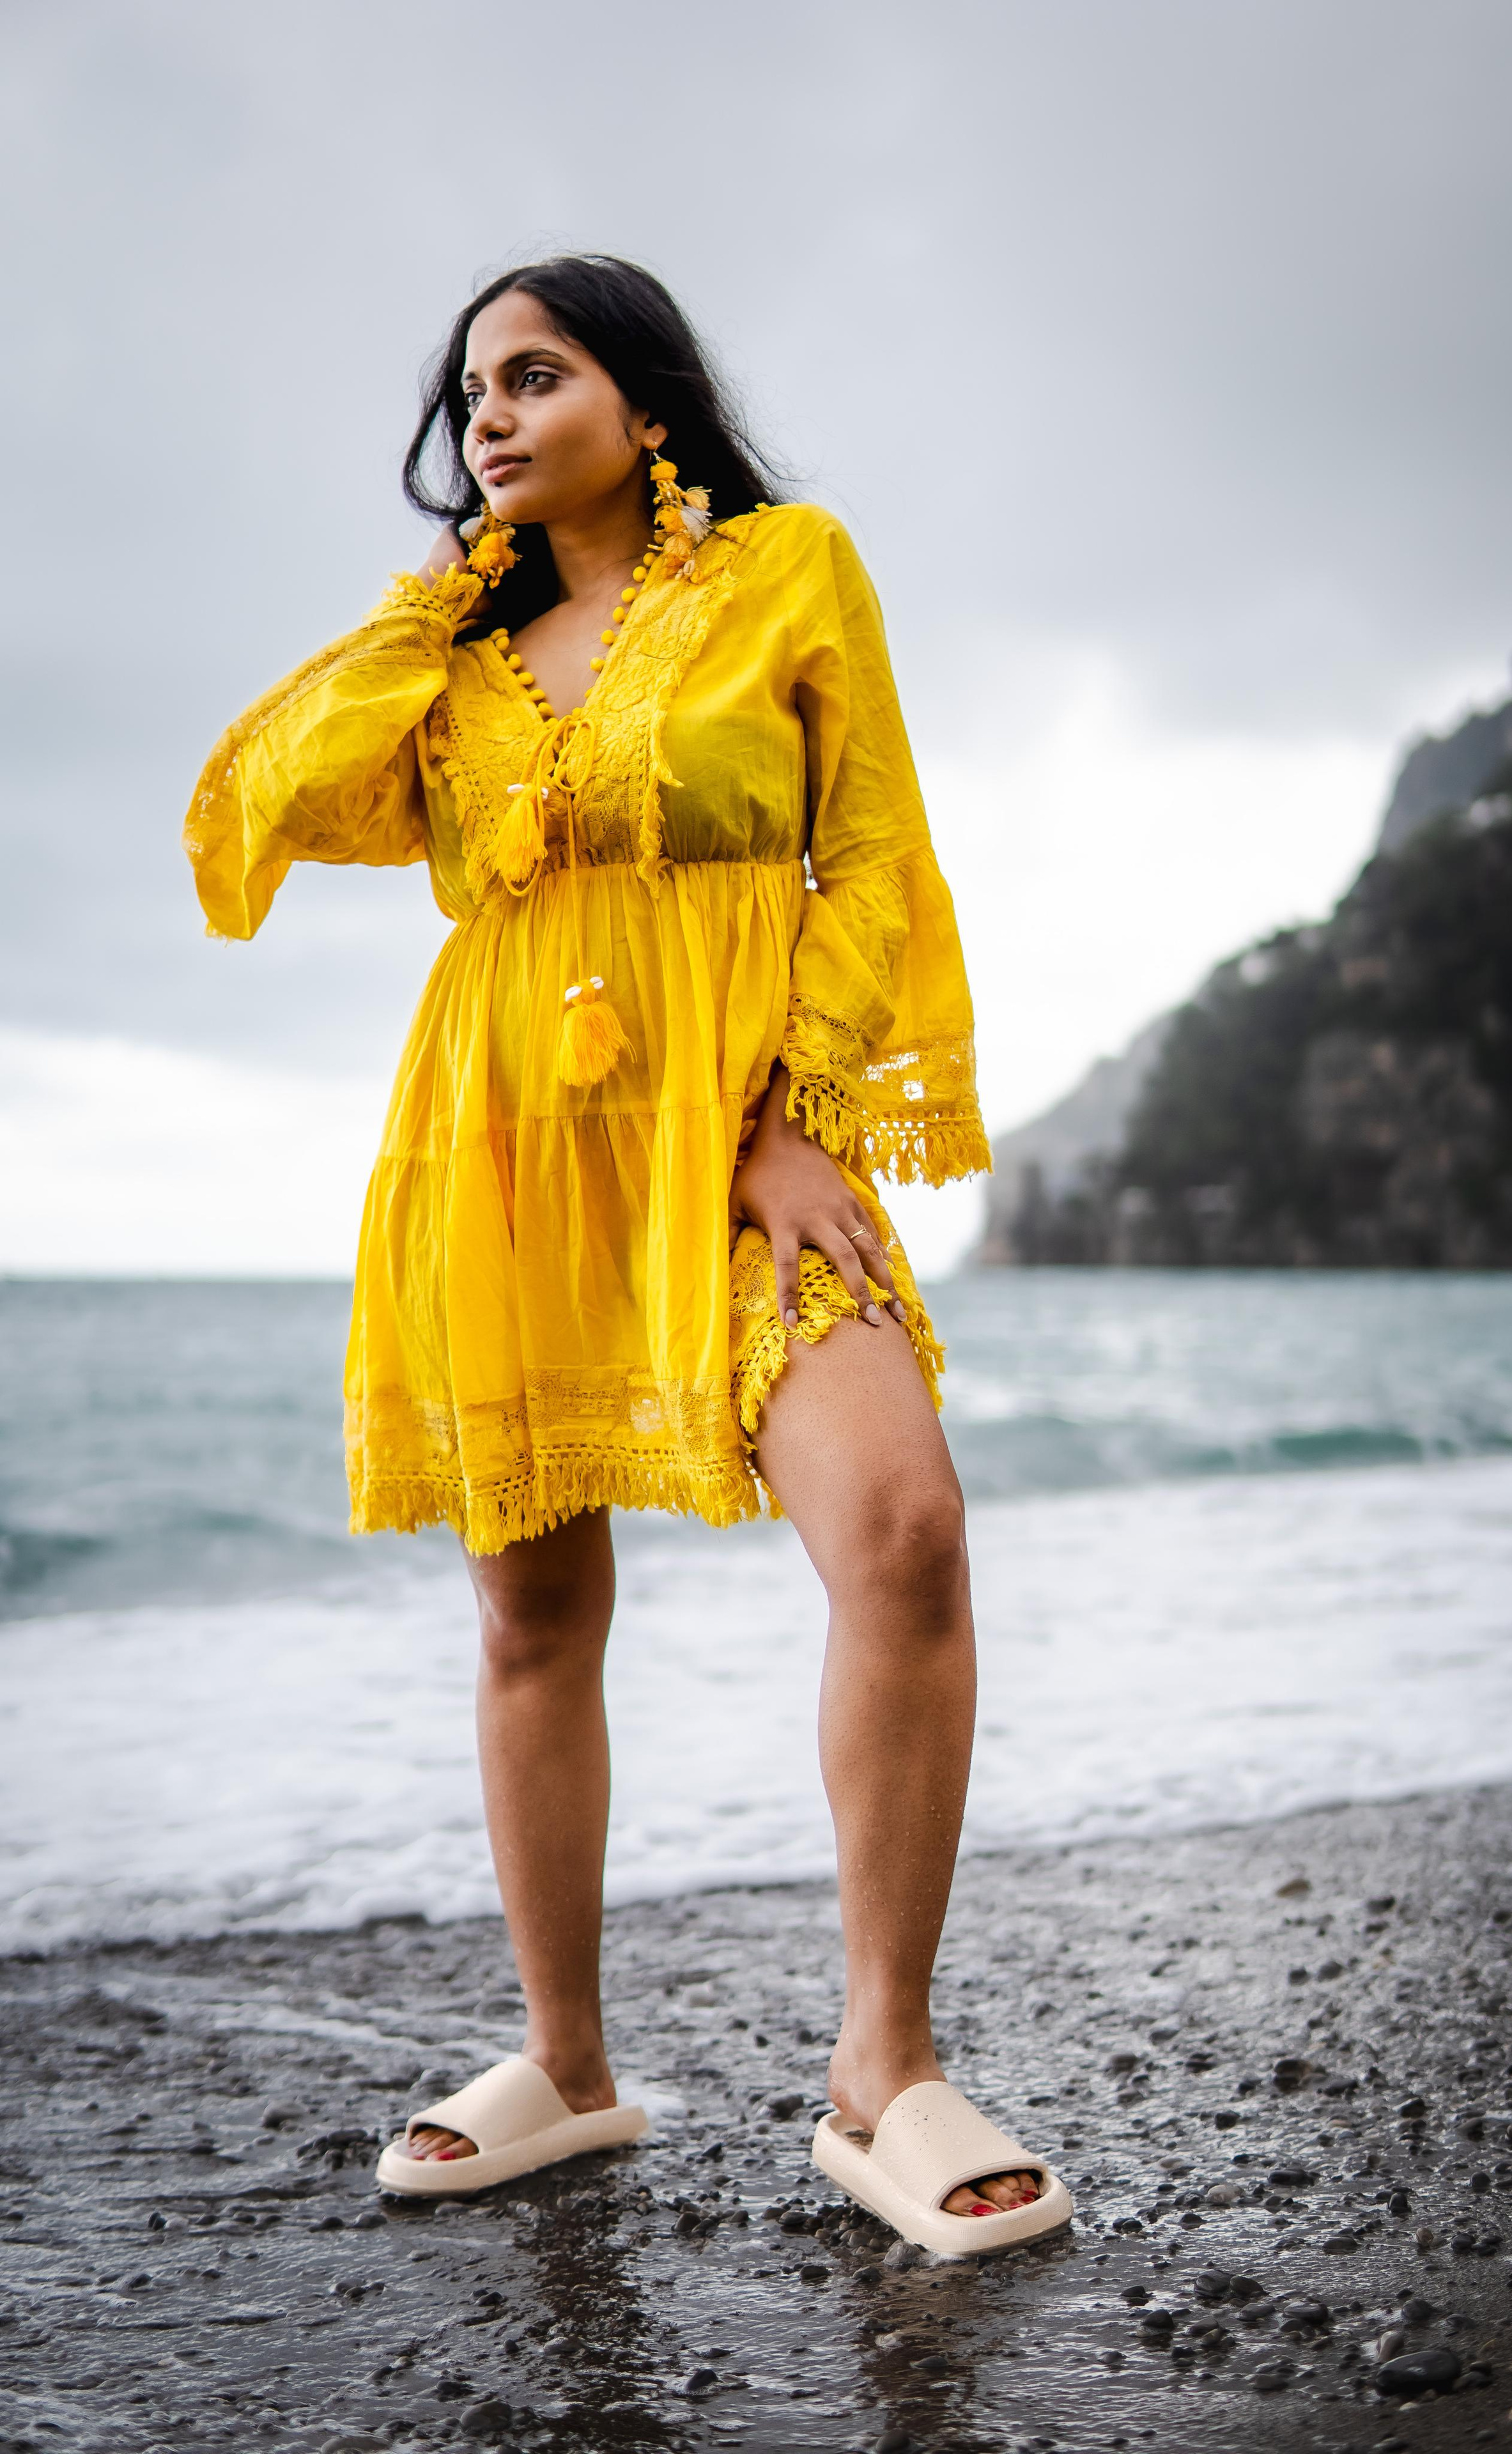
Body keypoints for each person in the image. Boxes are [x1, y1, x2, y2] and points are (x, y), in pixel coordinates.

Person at [184, 255, 1070, 2255]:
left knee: (906, 1528)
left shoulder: (788, 574)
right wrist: (433, 604)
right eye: (466, 395)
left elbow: (876, 854)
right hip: (506, 1155)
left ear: (646, 397)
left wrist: (787, 1123)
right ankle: (570, 2065)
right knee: (530, 1613)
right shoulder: (460, 667)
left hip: (742, 1148)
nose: (487, 416)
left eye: (534, 374)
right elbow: (256, 802)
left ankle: (885, 2071)